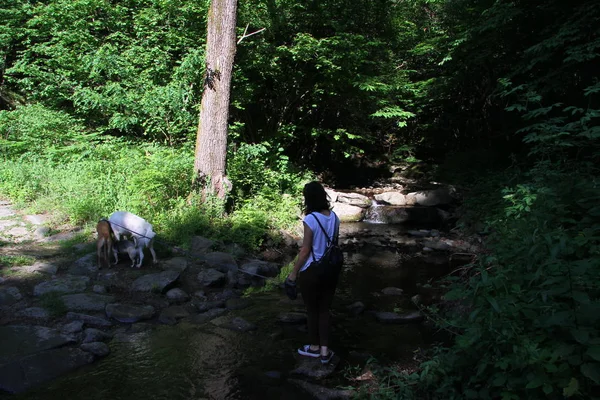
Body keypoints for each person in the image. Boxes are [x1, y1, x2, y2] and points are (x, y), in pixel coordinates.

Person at [287, 181, 341, 365]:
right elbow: (333, 245)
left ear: (308, 198)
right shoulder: (334, 217)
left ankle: (314, 348)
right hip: (331, 270)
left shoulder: (310, 219)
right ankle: (325, 352)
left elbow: (305, 250)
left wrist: (293, 274)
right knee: (325, 310)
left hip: (312, 271)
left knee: (312, 311)